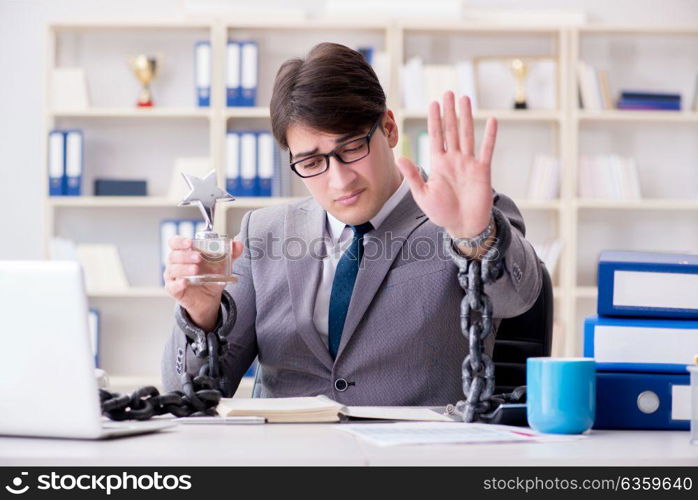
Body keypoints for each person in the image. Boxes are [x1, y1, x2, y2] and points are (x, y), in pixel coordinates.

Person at [161, 42, 542, 405]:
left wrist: (473, 235)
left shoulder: (464, 214)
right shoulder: (262, 233)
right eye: (311, 163)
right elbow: (194, 394)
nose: (340, 180)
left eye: (352, 148)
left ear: (389, 129)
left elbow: (518, 297)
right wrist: (201, 315)